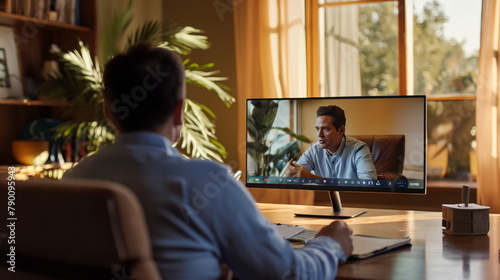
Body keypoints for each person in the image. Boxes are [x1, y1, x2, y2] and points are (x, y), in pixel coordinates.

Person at [63, 43, 353, 279]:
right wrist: (330, 244)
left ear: (107, 111)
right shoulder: (205, 182)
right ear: (179, 112)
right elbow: (287, 274)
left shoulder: (72, 182)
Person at [285, 105, 377, 180]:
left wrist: (312, 178)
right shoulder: (314, 150)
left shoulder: (359, 149)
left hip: (352, 201)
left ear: (341, 130)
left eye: (325, 129)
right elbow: (296, 175)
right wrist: (291, 173)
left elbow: (369, 184)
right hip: (323, 201)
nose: (319, 135)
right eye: (317, 129)